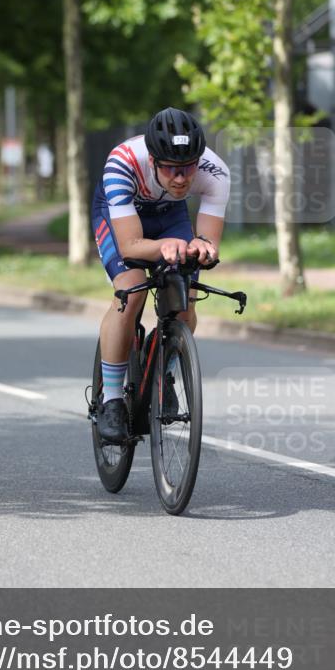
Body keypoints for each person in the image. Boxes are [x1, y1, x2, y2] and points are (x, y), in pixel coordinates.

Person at [91, 107, 230, 443]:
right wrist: (164, 245)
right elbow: (130, 246)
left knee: (185, 297)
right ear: (153, 161)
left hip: (170, 216)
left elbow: (208, 241)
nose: (181, 178)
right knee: (132, 291)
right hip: (122, 217)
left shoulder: (216, 173)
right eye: (171, 169)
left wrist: (204, 249)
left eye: (187, 169)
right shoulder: (122, 163)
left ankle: (162, 367)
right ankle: (110, 401)